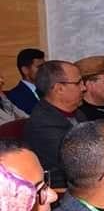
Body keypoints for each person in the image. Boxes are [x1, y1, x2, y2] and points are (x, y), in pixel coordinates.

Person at [24, 60, 87, 188]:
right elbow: (77, 163)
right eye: (78, 83)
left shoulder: (78, 113)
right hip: (66, 188)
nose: (84, 88)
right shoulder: (42, 124)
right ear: (59, 89)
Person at [6, 47, 44, 114]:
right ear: (25, 70)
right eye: (39, 67)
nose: (44, 70)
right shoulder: (14, 96)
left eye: (44, 66)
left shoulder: (48, 90)